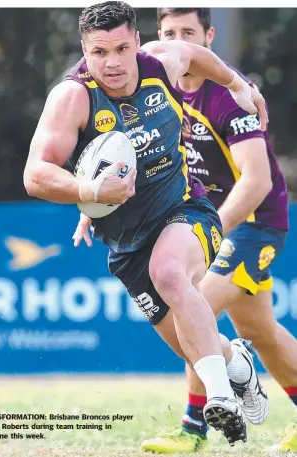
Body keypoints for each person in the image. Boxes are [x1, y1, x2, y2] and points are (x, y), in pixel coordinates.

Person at [24, 1, 269, 446]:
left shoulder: (161, 62)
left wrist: (237, 85)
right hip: (126, 240)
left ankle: (221, 400)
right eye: (99, 53)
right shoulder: (73, 98)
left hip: (187, 208)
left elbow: (197, 56)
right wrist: (89, 193)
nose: (112, 63)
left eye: (121, 48)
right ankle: (237, 364)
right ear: (84, 48)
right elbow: (36, 174)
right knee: (191, 345)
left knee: (170, 274)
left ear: (137, 41)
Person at [135, 8, 297, 454]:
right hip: (217, 223)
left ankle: (192, 431)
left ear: (208, 36)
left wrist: (210, 231)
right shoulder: (157, 90)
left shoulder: (228, 96)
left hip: (254, 224)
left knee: (195, 305)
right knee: (261, 332)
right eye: (169, 33)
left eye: (189, 32)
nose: (179, 41)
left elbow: (257, 180)